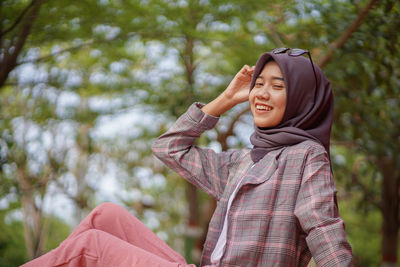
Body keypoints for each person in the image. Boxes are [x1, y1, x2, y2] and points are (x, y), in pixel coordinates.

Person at [21, 48, 353, 267]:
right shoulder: (241, 162)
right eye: (258, 83)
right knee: (104, 216)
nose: (261, 93)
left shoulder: (306, 156)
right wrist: (225, 98)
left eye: (277, 86)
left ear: (301, 98)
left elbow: (323, 229)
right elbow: (168, 148)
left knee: (88, 246)